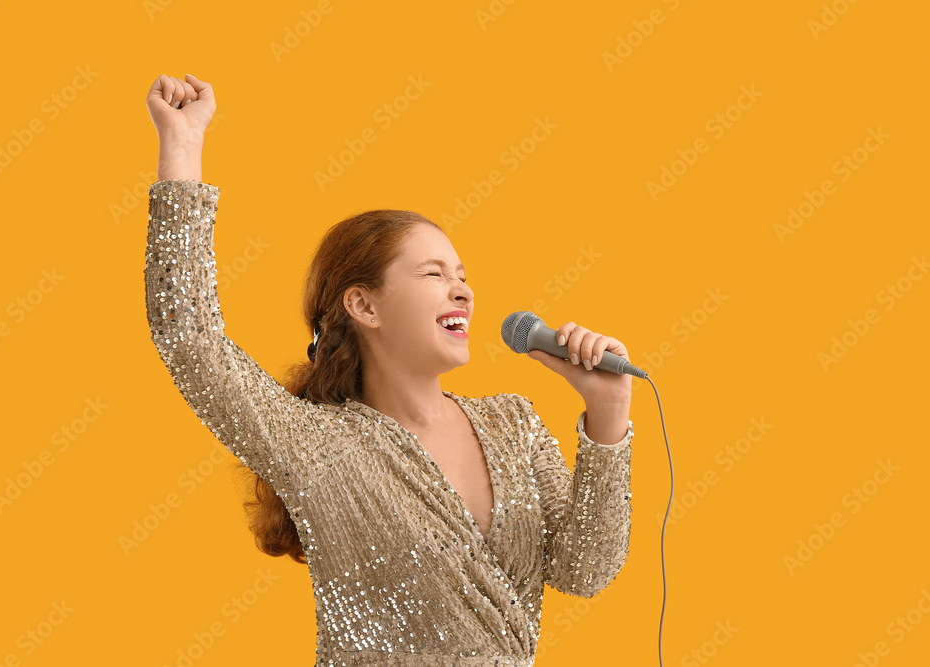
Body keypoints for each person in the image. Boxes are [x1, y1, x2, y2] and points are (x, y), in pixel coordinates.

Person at [144, 73, 635, 666]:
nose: (462, 291)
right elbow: (189, 337)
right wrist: (183, 147)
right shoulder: (317, 445)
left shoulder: (514, 424)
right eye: (434, 274)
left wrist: (608, 414)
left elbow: (585, 570)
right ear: (364, 305)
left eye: (462, 276)